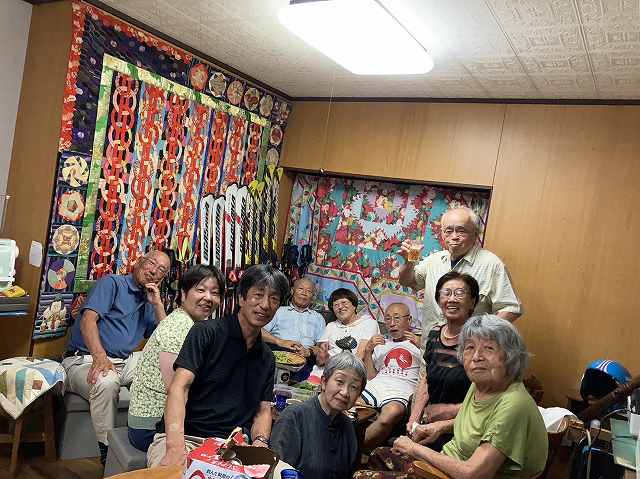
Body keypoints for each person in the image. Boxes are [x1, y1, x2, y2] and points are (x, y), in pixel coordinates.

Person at [358, 315, 548, 479]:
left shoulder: (513, 404)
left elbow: (473, 474)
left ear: (510, 356)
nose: (476, 356)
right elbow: (481, 422)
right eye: (470, 347)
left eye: (489, 348)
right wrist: (439, 427)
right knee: (379, 454)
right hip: (451, 459)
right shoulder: (482, 382)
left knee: (363, 475)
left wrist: (415, 449)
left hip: (459, 473)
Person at [147, 264, 290, 468]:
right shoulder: (206, 333)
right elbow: (179, 388)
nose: (265, 305)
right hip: (187, 438)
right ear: (241, 298)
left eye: (274, 299)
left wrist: (260, 442)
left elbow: (263, 410)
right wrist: (175, 447)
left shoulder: (267, 358)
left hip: (233, 446)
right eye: (258, 295)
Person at [62, 250, 170, 463]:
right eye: (151, 263)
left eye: (161, 270)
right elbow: (88, 320)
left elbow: (167, 336)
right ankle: (107, 451)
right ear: (139, 261)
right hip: (84, 360)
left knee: (165, 368)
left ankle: (149, 433)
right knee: (106, 382)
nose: (154, 271)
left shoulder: (149, 299)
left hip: (124, 361)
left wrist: (157, 304)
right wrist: (99, 356)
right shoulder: (112, 283)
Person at [127, 264, 225, 452]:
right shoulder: (179, 327)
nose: (208, 298)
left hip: (159, 421)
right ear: (183, 293)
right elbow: (175, 389)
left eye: (215, 293)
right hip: (152, 428)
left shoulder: (190, 323)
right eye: (201, 290)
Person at [398, 207, 522, 339]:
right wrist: (408, 262)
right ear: (442, 235)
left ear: (475, 234)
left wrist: (483, 336)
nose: (454, 237)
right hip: (431, 345)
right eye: (448, 231)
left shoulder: (491, 264)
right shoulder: (434, 260)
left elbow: (511, 308)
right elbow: (407, 281)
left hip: (468, 347)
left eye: (461, 231)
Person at [406, 272, 479, 451]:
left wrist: (447, 411)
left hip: (463, 430)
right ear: (439, 301)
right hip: (430, 425)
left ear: (472, 302)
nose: (452, 299)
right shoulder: (434, 335)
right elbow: (427, 379)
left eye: (460, 293)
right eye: (446, 293)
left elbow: (486, 402)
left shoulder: (480, 341)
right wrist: (414, 418)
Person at [270, 352, 366, 479]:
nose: (345, 392)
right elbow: (277, 472)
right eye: (340, 381)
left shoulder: (348, 426)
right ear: (324, 382)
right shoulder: (294, 418)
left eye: (354, 387)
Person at [360, 302, 422, 449]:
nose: (392, 323)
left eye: (397, 318)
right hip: (376, 385)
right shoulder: (381, 344)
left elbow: (432, 371)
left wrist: (422, 346)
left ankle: (356, 449)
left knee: (391, 413)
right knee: (347, 402)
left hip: (401, 390)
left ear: (409, 320)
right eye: (388, 319)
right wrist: (368, 351)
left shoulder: (421, 344)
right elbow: (371, 376)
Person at [309, 288, 380, 380]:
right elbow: (319, 362)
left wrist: (337, 370)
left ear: (354, 306)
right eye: (335, 305)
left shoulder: (369, 323)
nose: (340, 307)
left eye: (344, 302)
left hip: (353, 372)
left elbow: (360, 356)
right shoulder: (330, 326)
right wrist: (322, 357)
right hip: (325, 371)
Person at [262, 277, 325, 357]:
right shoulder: (278, 311)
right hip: (278, 353)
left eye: (309, 291)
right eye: (300, 289)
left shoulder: (318, 318)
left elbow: (322, 347)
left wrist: (309, 351)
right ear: (292, 291)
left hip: (306, 358)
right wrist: (280, 342)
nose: (304, 293)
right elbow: (259, 331)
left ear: (313, 296)